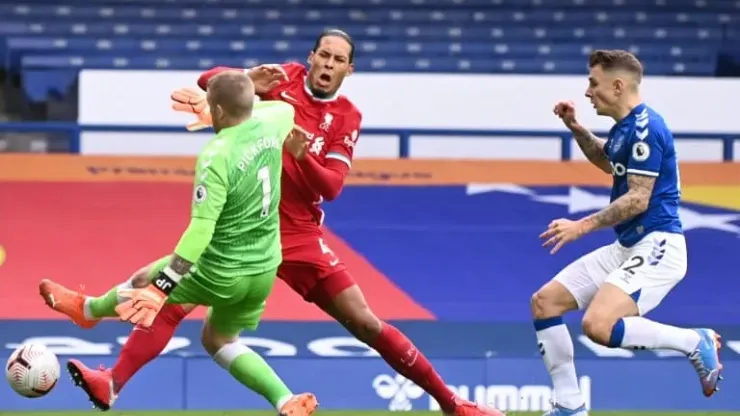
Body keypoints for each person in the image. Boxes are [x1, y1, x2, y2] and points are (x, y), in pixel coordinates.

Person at [39, 29, 503, 416]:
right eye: (323, 55)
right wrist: (248, 75)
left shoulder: (346, 117)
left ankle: (451, 403)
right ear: (311, 56)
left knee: (364, 321)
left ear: (349, 70)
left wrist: (302, 156)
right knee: (172, 305)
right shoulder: (284, 82)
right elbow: (213, 83)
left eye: (338, 60)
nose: (327, 64)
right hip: (244, 229)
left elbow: (331, 186)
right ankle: (109, 372)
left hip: (298, 235)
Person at [58, 70, 317, 414]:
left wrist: (162, 286)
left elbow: (200, 232)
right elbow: (266, 108)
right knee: (220, 340)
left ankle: (88, 311)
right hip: (264, 268)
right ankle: (285, 399)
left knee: (146, 286)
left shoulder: (217, 155)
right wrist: (235, 93)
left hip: (221, 269)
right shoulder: (278, 117)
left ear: (218, 110)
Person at [532, 49, 722, 416]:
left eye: (593, 83)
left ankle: (692, 341)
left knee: (598, 326)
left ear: (617, 86)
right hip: (629, 245)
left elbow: (638, 198)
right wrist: (575, 126)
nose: (588, 92)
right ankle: (570, 405)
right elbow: (607, 161)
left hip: (659, 245)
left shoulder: (646, 127)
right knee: (545, 302)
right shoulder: (625, 128)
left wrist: (581, 226)